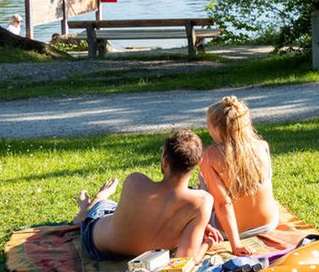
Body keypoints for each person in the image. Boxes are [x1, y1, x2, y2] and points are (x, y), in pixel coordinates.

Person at [71, 129, 216, 262]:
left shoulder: (135, 182)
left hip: (98, 247)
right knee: (106, 208)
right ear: (198, 162)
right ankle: (90, 206)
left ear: (165, 161)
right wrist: (207, 244)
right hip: (148, 258)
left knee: (106, 207)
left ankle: (91, 205)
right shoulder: (202, 203)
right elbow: (185, 261)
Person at [200, 96, 281, 256]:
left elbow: (223, 204)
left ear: (218, 128)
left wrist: (235, 245)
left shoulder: (210, 156)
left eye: (208, 124)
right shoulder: (262, 146)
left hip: (231, 231)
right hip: (269, 222)